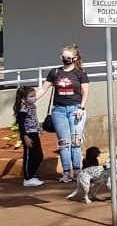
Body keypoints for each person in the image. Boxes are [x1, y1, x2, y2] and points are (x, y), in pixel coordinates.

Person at [35, 45, 89, 183]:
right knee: (64, 143)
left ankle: (77, 171)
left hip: (75, 109)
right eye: (63, 57)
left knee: (76, 142)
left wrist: (81, 108)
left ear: (75, 58)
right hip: (58, 110)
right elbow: (43, 89)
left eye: (68, 58)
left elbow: (85, 92)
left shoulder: (80, 73)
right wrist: (30, 100)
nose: (65, 59)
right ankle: (66, 173)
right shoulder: (55, 72)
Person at [14, 87, 43, 186]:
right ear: (23, 98)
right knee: (29, 156)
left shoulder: (33, 107)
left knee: (38, 156)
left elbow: (34, 119)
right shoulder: (23, 109)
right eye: (31, 96)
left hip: (35, 133)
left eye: (34, 96)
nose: (33, 98)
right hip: (28, 134)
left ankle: (32, 175)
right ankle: (27, 178)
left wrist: (39, 128)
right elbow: (21, 125)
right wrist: (25, 137)